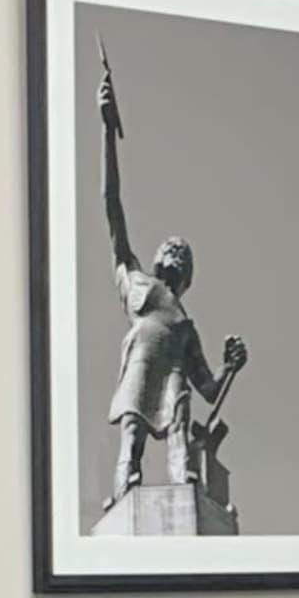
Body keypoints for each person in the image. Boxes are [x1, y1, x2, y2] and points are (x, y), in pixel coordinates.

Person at [98, 50, 246, 537]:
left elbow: (209, 390)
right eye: (171, 248)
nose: (176, 253)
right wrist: (106, 131)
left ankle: (185, 482)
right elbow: (111, 206)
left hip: (176, 373)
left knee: (180, 431)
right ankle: (124, 487)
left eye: (184, 253)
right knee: (133, 436)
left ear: (187, 275)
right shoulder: (135, 281)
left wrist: (230, 366)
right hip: (142, 362)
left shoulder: (185, 323)